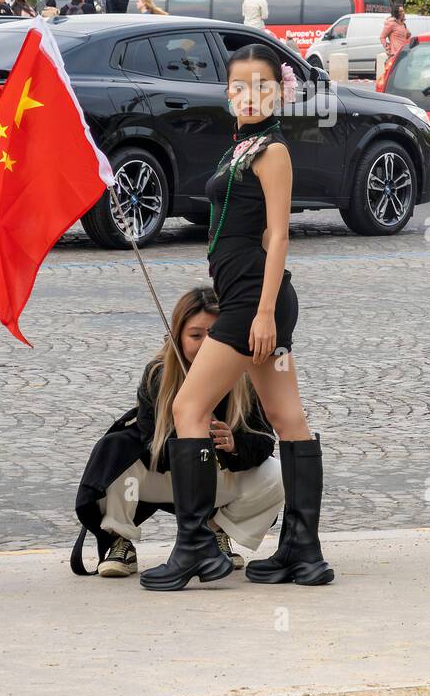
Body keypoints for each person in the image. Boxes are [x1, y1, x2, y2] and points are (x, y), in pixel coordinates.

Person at [139, 42, 334, 591]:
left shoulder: (272, 151)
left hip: (254, 303)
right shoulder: (242, 145)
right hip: (247, 300)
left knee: (187, 405)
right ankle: (304, 551)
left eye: (261, 86)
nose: (249, 95)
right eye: (239, 86)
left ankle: (196, 546)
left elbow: (277, 234)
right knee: (288, 419)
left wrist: (266, 311)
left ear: (281, 93)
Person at [87, 287, 285, 579]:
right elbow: (145, 438)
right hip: (167, 477)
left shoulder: (243, 374)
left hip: (219, 477)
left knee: (279, 475)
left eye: (215, 334)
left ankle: (215, 532)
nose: (206, 343)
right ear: (178, 335)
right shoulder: (158, 373)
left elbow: (265, 440)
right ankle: (119, 539)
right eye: (195, 335)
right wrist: (186, 438)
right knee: (115, 456)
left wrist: (234, 444)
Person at [380, 4, 411, 68]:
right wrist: (387, 48)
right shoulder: (391, 23)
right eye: (401, 11)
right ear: (396, 13)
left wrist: (408, 35)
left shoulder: (403, 24)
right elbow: (382, 37)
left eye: (403, 11)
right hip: (395, 54)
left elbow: (407, 36)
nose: (403, 13)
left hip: (404, 53)